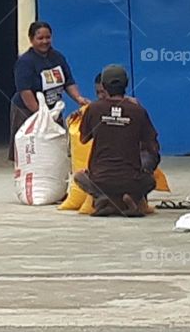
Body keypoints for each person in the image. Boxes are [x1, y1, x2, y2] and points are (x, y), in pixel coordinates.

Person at [75, 64, 160, 217]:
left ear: (104, 86)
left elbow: (83, 139)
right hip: (132, 181)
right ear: (126, 84)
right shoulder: (138, 110)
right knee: (151, 180)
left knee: (79, 176)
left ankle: (103, 198)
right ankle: (131, 200)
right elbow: (152, 146)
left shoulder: (93, 109)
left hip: (100, 180)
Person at [10, 21, 89, 160]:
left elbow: (68, 82)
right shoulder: (25, 62)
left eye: (48, 37)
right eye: (40, 38)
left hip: (53, 109)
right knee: (30, 151)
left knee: (54, 149)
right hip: (28, 110)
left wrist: (78, 98)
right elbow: (25, 91)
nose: (45, 41)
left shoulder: (57, 57)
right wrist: (40, 115)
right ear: (31, 39)